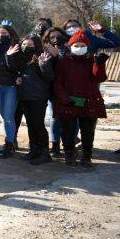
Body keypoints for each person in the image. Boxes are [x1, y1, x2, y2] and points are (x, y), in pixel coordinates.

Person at [53, 29, 108, 167]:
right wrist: (64, 99)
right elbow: (57, 82)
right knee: (68, 131)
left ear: (88, 47)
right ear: (70, 46)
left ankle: (87, 156)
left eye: (82, 46)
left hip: (89, 102)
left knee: (88, 131)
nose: (79, 48)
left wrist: (99, 65)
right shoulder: (63, 61)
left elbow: (99, 78)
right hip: (69, 102)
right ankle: (69, 154)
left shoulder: (92, 60)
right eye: (76, 46)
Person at [7, 35, 55, 165]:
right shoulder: (22, 59)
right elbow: (13, 70)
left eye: (29, 45)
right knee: (30, 124)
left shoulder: (43, 57)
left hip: (38, 97)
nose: (25, 47)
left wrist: (43, 64)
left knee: (38, 124)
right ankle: (34, 150)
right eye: (24, 45)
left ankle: (45, 153)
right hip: (25, 96)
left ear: (36, 46)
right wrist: (9, 56)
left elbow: (50, 77)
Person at [0, 23, 21, 158]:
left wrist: (8, 55)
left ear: (10, 34)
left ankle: (9, 145)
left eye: (4, 34)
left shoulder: (17, 47)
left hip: (10, 86)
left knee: (8, 117)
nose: (0, 36)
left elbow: (16, 67)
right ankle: (11, 141)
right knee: (5, 117)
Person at [42, 27, 71, 156]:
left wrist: (58, 54)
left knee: (71, 118)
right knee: (55, 117)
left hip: (69, 88)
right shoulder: (45, 50)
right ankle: (55, 145)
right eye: (51, 37)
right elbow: (47, 72)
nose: (55, 38)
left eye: (57, 35)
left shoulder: (70, 48)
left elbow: (70, 68)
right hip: (53, 89)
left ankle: (69, 146)